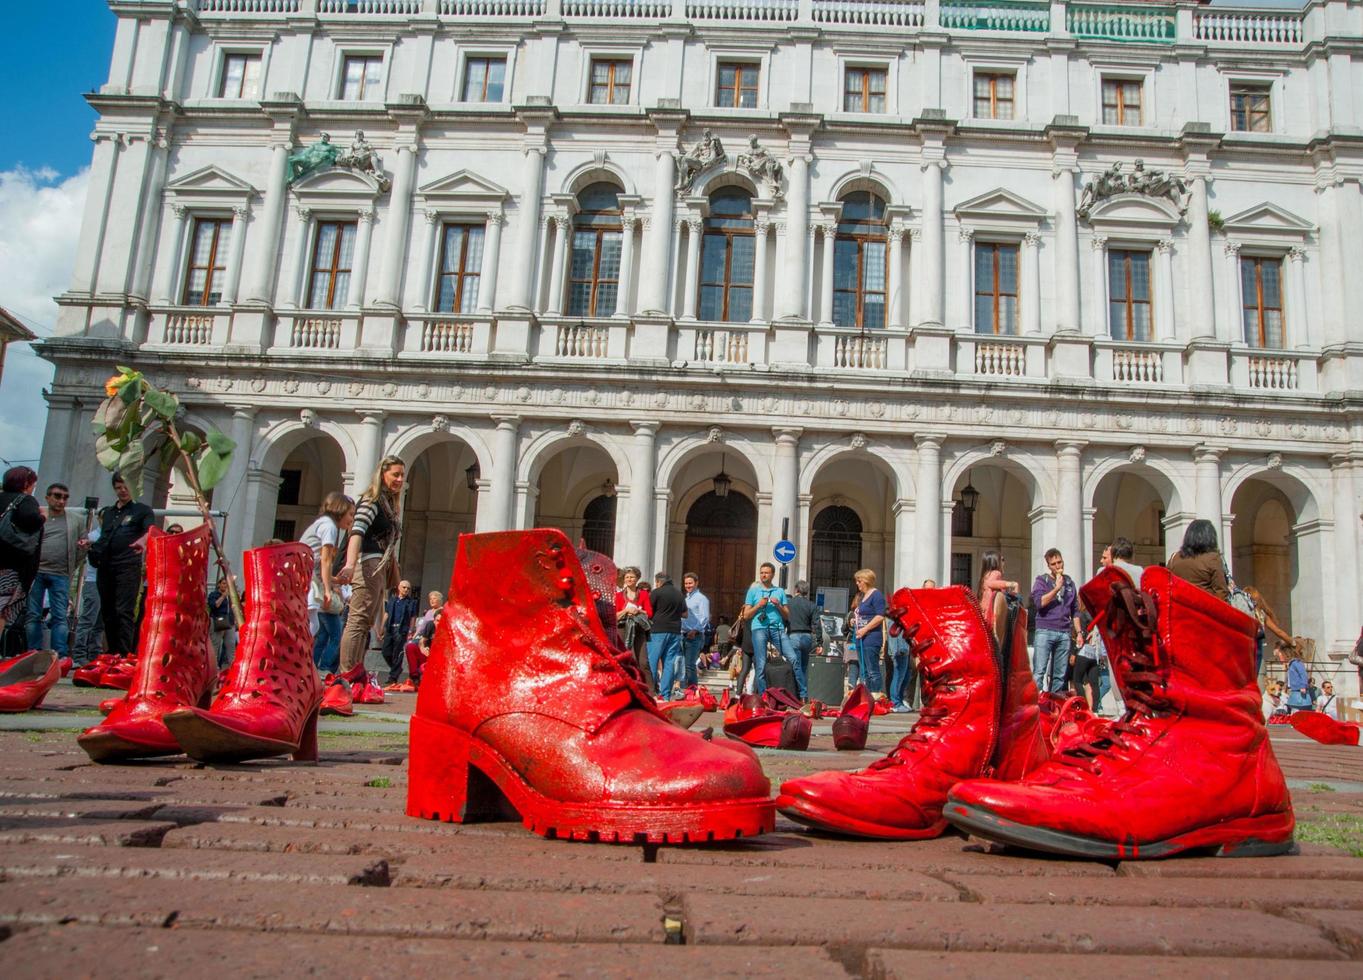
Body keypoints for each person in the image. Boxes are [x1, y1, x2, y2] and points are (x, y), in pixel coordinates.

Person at [337, 456, 405, 675]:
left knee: (365, 621)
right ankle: (346, 674)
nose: (400, 479)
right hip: (366, 562)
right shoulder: (372, 500)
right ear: (382, 474)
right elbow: (356, 532)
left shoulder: (387, 502)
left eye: (402, 475)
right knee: (357, 620)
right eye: (395, 474)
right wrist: (349, 563)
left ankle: (355, 671)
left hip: (376, 565)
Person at [88, 474, 154, 658]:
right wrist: (89, 544)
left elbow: (150, 530)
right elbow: (104, 536)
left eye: (125, 486)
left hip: (127, 566)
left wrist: (143, 541)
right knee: (107, 610)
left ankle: (124, 653)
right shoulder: (108, 512)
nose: (122, 490)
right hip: (105, 565)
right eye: (118, 487)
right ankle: (112, 651)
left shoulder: (142, 511)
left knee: (123, 610)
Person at [25, 483, 85, 656]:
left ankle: (59, 654)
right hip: (36, 571)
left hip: (61, 573)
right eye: (57, 496)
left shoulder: (76, 520)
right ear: (47, 497)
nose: (61, 500)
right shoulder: (38, 515)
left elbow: (83, 544)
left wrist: (73, 564)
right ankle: (33, 653)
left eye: (65, 497)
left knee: (60, 615)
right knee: (33, 614)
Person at [300, 490, 354, 674]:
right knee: (311, 626)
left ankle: (305, 666)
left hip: (307, 576)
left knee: (312, 625)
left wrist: (333, 579)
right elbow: (325, 560)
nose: (351, 519)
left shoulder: (322, 523)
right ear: (340, 510)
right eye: (350, 514)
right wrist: (328, 589)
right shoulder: (329, 526)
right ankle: (303, 666)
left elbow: (319, 563)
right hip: (307, 580)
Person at [0, 466, 45, 655]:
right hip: (11, 568)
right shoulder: (25, 500)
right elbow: (31, 519)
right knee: (2, 609)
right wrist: (42, 516)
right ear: (27, 484)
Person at [1030, 548, 1081, 696]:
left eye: (1059, 562)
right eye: (1054, 564)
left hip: (1064, 632)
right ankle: (1035, 703)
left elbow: (1075, 610)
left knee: (1060, 674)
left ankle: (1055, 706)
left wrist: (1078, 633)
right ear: (1049, 566)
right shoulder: (1042, 581)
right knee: (1039, 671)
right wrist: (1056, 588)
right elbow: (1039, 603)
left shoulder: (1070, 583)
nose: (1058, 566)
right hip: (1045, 630)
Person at [742, 562, 792, 696]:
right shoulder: (752, 592)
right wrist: (759, 605)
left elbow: (787, 615)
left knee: (792, 658)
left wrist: (779, 605)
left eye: (766, 572)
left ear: (773, 574)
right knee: (760, 664)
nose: (763, 575)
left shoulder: (780, 591)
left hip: (777, 629)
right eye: (762, 572)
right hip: (758, 629)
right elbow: (746, 615)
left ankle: (797, 694)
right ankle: (764, 695)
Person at [1167, 519, 1229, 599]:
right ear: (1210, 537)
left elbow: (1167, 583)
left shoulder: (1174, 558)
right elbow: (1221, 592)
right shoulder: (1213, 558)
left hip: (1178, 607)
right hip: (1203, 608)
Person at [649, 573, 686, 701]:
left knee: (652, 661)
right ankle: (665, 695)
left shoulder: (656, 592)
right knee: (669, 663)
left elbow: (649, 611)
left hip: (657, 630)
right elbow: (685, 613)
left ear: (659, 582)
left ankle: (651, 692)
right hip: (675, 630)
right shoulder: (679, 594)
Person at [850, 568, 886, 696]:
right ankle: (866, 696)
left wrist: (865, 628)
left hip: (871, 638)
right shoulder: (864, 597)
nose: (857, 583)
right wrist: (856, 621)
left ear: (866, 581)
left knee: (872, 670)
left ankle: (875, 695)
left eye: (859, 581)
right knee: (864, 671)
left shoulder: (876, 595)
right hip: (861, 638)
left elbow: (880, 616)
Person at [784, 580, 822, 703]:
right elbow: (817, 624)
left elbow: (784, 621)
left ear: (796, 590)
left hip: (793, 635)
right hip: (807, 636)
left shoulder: (789, 604)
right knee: (804, 667)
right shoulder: (812, 605)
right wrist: (819, 642)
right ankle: (803, 694)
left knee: (795, 666)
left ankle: (801, 694)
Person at [614, 566, 653, 686]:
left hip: (639, 629)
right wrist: (626, 611)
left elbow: (650, 613)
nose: (629, 579)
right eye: (627, 577)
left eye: (632, 577)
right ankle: (631, 687)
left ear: (637, 579)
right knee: (629, 660)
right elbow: (615, 615)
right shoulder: (618, 595)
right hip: (623, 630)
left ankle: (650, 691)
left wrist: (638, 611)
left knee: (643, 661)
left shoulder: (644, 594)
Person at [381, 580, 419, 687]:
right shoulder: (392, 600)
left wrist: (411, 630)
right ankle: (396, 668)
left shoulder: (411, 602)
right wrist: (381, 628)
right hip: (390, 629)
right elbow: (387, 614)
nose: (406, 590)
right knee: (386, 652)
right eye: (404, 587)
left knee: (397, 654)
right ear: (399, 587)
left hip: (402, 630)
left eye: (408, 588)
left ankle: (392, 678)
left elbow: (413, 617)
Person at [680, 572, 711, 692]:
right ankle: (685, 689)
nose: (688, 585)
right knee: (683, 664)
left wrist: (695, 630)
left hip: (694, 636)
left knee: (690, 665)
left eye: (690, 583)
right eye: (686, 583)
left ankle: (692, 690)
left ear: (696, 583)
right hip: (683, 634)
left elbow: (705, 617)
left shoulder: (701, 599)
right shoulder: (686, 598)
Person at [976, 551, 1018, 631]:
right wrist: (1012, 584)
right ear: (995, 561)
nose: (1004, 562)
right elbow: (991, 583)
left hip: (984, 613)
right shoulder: (996, 573)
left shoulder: (985, 575)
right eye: (1002, 559)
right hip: (991, 615)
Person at [207, 576, 235, 668]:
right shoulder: (214, 595)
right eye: (223, 583)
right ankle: (213, 668)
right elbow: (214, 606)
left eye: (227, 584)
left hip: (229, 623)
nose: (225, 586)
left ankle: (233, 667)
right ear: (219, 584)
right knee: (215, 645)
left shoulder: (230, 596)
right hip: (217, 621)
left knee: (231, 645)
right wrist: (223, 596)